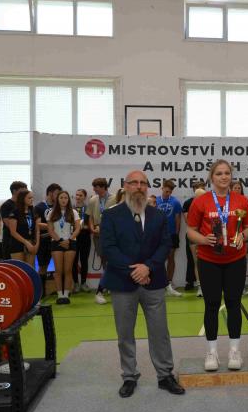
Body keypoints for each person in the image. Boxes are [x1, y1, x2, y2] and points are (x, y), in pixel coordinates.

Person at [101, 170, 185, 398]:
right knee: (125, 333)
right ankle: (129, 376)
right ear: (125, 186)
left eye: (143, 183)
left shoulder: (158, 215)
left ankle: (165, 375)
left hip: (153, 281)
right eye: (134, 183)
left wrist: (148, 267)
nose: (139, 186)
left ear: (147, 187)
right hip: (122, 282)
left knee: (160, 332)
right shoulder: (111, 215)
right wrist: (135, 271)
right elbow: (108, 247)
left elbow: (165, 245)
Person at [187, 160, 248, 371]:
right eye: (219, 173)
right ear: (211, 177)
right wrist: (203, 239)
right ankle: (212, 352)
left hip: (235, 260)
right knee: (212, 305)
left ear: (231, 176)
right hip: (209, 261)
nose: (224, 177)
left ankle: (234, 351)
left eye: (227, 173)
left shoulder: (241, 201)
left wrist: (243, 236)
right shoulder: (201, 201)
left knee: (234, 304)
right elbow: (190, 230)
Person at [46, 191, 81, 305]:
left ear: (68, 200)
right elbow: (50, 230)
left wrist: (69, 240)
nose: (63, 200)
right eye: (61, 197)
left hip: (71, 242)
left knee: (68, 270)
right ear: (57, 199)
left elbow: (77, 228)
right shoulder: (51, 212)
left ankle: (66, 295)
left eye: (66, 198)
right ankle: (59, 295)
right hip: (57, 243)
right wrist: (60, 241)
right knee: (58, 270)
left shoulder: (73, 212)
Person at [88, 177, 115, 305]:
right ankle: (107, 285)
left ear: (103, 187)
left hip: (111, 233)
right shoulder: (93, 200)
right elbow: (90, 217)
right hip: (97, 234)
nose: (94, 189)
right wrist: (92, 228)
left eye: (96, 187)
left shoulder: (114, 198)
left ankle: (105, 287)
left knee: (111, 260)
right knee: (104, 259)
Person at [156, 180, 184, 298]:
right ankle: (160, 283)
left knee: (170, 257)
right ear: (162, 188)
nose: (168, 193)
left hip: (171, 234)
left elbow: (178, 219)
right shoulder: (156, 201)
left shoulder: (175, 202)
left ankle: (169, 284)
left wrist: (176, 234)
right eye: (166, 191)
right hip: (158, 234)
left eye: (170, 192)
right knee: (159, 259)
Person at [34, 183, 62, 296]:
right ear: (50, 193)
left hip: (57, 240)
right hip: (44, 241)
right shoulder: (39, 207)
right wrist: (52, 226)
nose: (59, 196)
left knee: (60, 266)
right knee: (42, 267)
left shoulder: (59, 207)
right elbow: (38, 225)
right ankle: (41, 292)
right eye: (57, 194)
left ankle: (60, 291)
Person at [4, 189, 39, 267]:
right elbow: (13, 232)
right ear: (22, 199)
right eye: (29, 198)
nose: (32, 200)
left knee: (30, 269)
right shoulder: (15, 212)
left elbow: (37, 230)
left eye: (32, 198)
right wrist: (26, 242)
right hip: (17, 244)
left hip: (31, 243)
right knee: (19, 269)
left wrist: (36, 244)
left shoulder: (33, 212)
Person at [0, 181, 28, 260]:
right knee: (11, 264)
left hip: (24, 239)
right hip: (10, 241)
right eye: (23, 191)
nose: (25, 193)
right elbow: (8, 224)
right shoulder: (6, 205)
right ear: (14, 191)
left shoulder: (25, 205)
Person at [182, 182, 205, 294]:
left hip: (206, 235)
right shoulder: (189, 204)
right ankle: (200, 287)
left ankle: (208, 286)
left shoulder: (209, 203)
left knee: (208, 262)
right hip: (194, 235)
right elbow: (189, 222)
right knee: (196, 261)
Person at [72, 189, 92, 293]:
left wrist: (87, 227)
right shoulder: (71, 208)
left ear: (85, 197)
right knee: (74, 261)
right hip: (73, 237)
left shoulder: (88, 208)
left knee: (84, 261)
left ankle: (83, 283)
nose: (78, 197)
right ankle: (76, 283)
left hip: (85, 236)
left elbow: (91, 223)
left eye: (80, 195)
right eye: (77, 195)